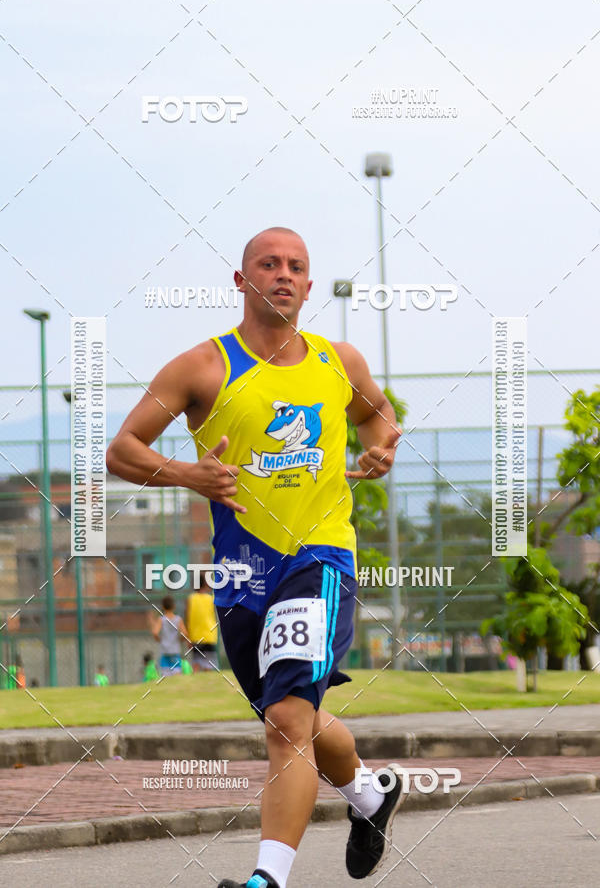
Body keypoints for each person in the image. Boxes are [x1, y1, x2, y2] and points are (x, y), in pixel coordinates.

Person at [107, 227, 404, 887]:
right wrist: (188, 476)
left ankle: (266, 881)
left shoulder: (338, 362)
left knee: (287, 722)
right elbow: (122, 449)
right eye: (268, 265)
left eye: (296, 266)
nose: (283, 275)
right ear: (242, 281)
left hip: (319, 555)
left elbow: (379, 415)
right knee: (288, 715)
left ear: (308, 283)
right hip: (242, 575)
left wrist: (381, 449)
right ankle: (370, 797)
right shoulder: (202, 367)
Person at [186, 572, 219, 671]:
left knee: (196, 664)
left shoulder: (190, 599)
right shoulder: (211, 599)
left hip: (195, 637)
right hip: (210, 635)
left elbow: (188, 619)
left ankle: (194, 685)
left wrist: (188, 637)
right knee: (208, 666)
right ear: (205, 584)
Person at [151, 595, 190, 676]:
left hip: (165, 651)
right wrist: (180, 640)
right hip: (175, 651)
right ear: (174, 606)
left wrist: (160, 640)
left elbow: (155, 632)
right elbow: (185, 634)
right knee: (177, 675)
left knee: (165, 676)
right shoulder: (178, 619)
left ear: (163, 607)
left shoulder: (161, 619)